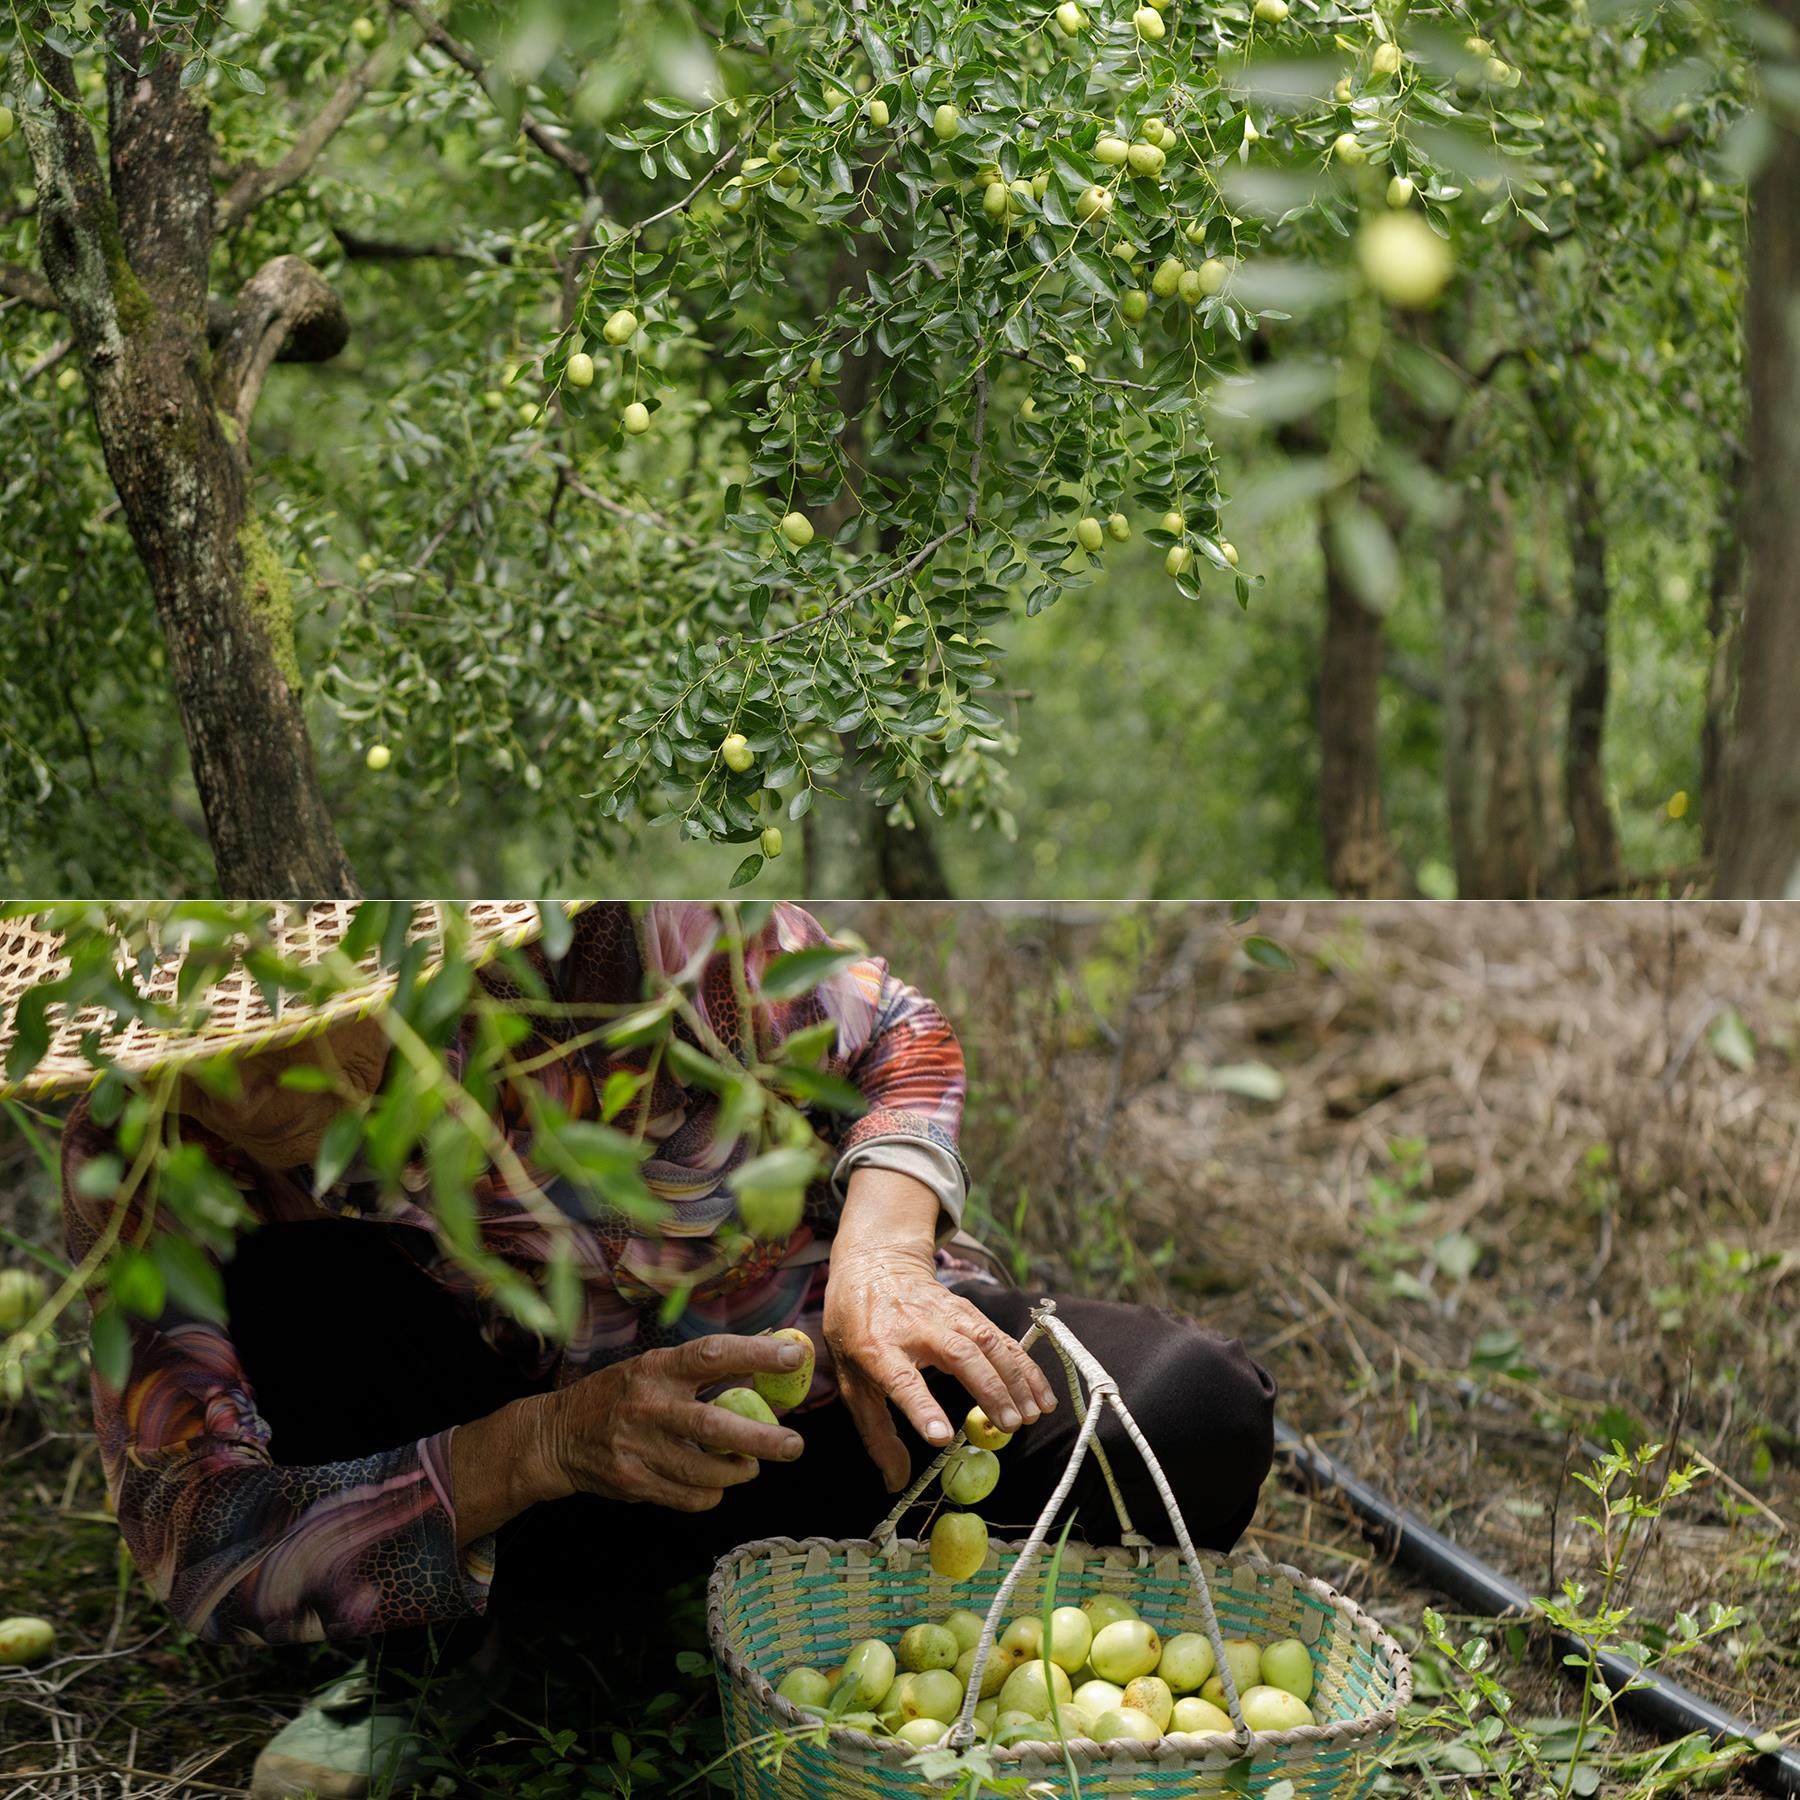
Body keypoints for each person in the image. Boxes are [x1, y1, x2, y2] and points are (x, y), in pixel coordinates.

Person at [56, 902, 1276, 1798]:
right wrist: (548, 1444)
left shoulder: (615, 954)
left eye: (300, 1023)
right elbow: (201, 1537)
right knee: (295, 1278)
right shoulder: (146, 1148)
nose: (261, 1079)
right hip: (522, 1501)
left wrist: (883, 1261)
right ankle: (470, 1657)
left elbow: (899, 1035)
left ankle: (802, 1605)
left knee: (1191, 1414)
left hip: (809, 1394)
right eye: (206, 1052)